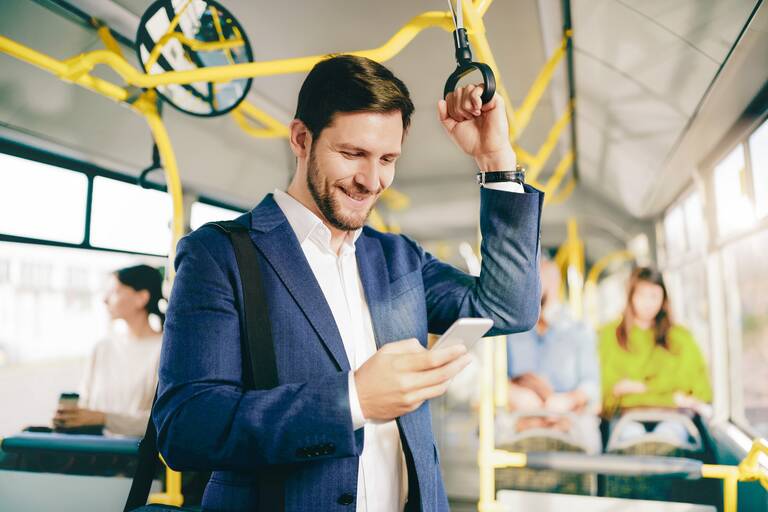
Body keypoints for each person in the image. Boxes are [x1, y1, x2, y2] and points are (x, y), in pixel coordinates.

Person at [155, 55, 542, 512]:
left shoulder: (398, 257)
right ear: (301, 139)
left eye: (387, 159)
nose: (371, 180)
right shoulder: (219, 255)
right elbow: (188, 428)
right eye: (352, 154)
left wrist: (496, 161)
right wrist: (352, 400)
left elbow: (508, 307)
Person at [598, 267, 712, 443]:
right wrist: (670, 395)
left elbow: (697, 387)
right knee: (631, 437)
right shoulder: (609, 335)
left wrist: (637, 388)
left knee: (668, 437)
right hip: (626, 417)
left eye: (654, 296)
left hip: (672, 417)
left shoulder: (680, 338)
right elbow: (608, 390)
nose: (648, 303)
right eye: (642, 296)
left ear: (663, 299)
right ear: (631, 297)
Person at [52, 264, 164, 437]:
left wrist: (103, 418)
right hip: (93, 450)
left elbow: (161, 422)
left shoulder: (164, 351)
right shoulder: (102, 348)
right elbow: (86, 403)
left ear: (141, 298)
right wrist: (72, 418)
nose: (105, 299)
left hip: (132, 456)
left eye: (115, 291)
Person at [505, 259, 601, 453]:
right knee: (501, 425)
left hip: (566, 412)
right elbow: (491, 380)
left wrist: (569, 400)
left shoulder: (578, 330)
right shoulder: (508, 331)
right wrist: (513, 394)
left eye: (541, 279)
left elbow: (592, 386)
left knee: (585, 430)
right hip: (521, 414)